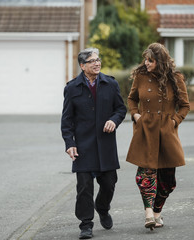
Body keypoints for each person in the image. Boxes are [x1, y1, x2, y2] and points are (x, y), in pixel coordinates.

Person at [61, 48, 127, 239]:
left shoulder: (110, 84)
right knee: (84, 187)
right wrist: (69, 143)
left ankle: (103, 208)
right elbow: (67, 120)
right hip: (83, 146)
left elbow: (120, 109)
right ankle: (86, 224)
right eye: (92, 61)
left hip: (106, 145)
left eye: (98, 60)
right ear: (83, 66)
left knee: (109, 183)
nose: (97, 63)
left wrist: (114, 120)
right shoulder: (72, 88)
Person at [126, 43, 190, 230]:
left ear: (160, 61)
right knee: (145, 175)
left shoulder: (176, 78)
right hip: (145, 131)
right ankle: (148, 214)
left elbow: (185, 106)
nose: (146, 63)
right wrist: (136, 115)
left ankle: (157, 213)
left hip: (167, 133)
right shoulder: (140, 76)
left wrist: (174, 121)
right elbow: (132, 98)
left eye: (151, 61)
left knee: (168, 180)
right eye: (145, 59)